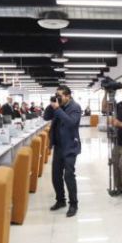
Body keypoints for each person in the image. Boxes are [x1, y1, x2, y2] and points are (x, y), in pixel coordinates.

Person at [43, 85, 82, 217]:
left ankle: (73, 204)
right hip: (58, 146)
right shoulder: (57, 106)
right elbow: (46, 117)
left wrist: (58, 109)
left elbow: (71, 123)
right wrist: (51, 105)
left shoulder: (75, 107)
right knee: (56, 176)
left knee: (69, 176)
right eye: (56, 95)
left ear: (68, 96)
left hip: (70, 146)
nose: (58, 98)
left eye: (60, 96)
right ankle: (60, 200)